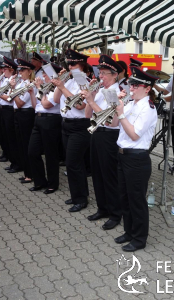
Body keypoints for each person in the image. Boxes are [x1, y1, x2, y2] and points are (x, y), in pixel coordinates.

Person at [111, 66, 158, 252]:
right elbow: (114, 124)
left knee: (137, 200)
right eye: (132, 83)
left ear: (147, 89)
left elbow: (134, 135)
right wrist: (116, 107)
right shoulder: (130, 103)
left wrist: (121, 113)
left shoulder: (148, 108)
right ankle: (129, 232)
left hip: (137, 159)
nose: (132, 87)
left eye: (137, 85)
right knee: (124, 197)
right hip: (123, 155)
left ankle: (139, 238)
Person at [83, 55, 123, 230]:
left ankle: (115, 214)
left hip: (109, 136)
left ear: (114, 75)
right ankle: (102, 208)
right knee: (97, 173)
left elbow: (111, 122)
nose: (101, 77)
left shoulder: (116, 92)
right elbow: (86, 115)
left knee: (109, 176)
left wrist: (92, 101)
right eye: (100, 73)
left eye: (105, 73)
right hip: (96, 133)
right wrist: (90, 97)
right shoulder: (100, 90)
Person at [53, 49, 91, 212]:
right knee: (73, 164)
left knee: (73, 163)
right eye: (68, 64)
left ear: (81, 65)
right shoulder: (68, 81)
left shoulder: (85, 82)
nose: (70, 66)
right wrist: (59, 82)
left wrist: (63, 86)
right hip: (66, 123)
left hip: (79, 125)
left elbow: (80, 105)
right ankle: (77, 195)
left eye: (73, 64)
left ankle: (81, 199)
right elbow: (55, 100)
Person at [28, 63, 63, 194]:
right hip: (38, 118)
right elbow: (34, 105)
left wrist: (39, 88)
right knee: (32, 151)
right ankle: (40, 181)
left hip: (51, 120)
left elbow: (47, 104)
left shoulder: (57, 88)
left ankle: (52, 184)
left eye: (45, 74)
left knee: (50, 154)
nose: (42, 76)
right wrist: (33, 92)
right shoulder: (43, 87)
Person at [10, 59, 36, 184]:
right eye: (19, 70)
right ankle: (27, 172)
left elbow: (20, 103)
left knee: (26, 145)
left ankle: (30, 174)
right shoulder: (21, 83)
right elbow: (12, 98)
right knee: (20, 144)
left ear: (29, 71)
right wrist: (14, 89)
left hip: (26, 115)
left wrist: (13, 90)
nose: (20, 72)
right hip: (18, 115)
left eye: (22, 70)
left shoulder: (29, 84)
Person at [0, 56, 22, 173]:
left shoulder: (15, 81)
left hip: (10, 110)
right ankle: (13, 162)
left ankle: (17, 163)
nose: (3, 71)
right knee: (8, 138)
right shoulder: (5, 80)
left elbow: (9, 98)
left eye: (5, 69)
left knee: (13, 139)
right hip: (4, 110)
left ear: (11, 70)